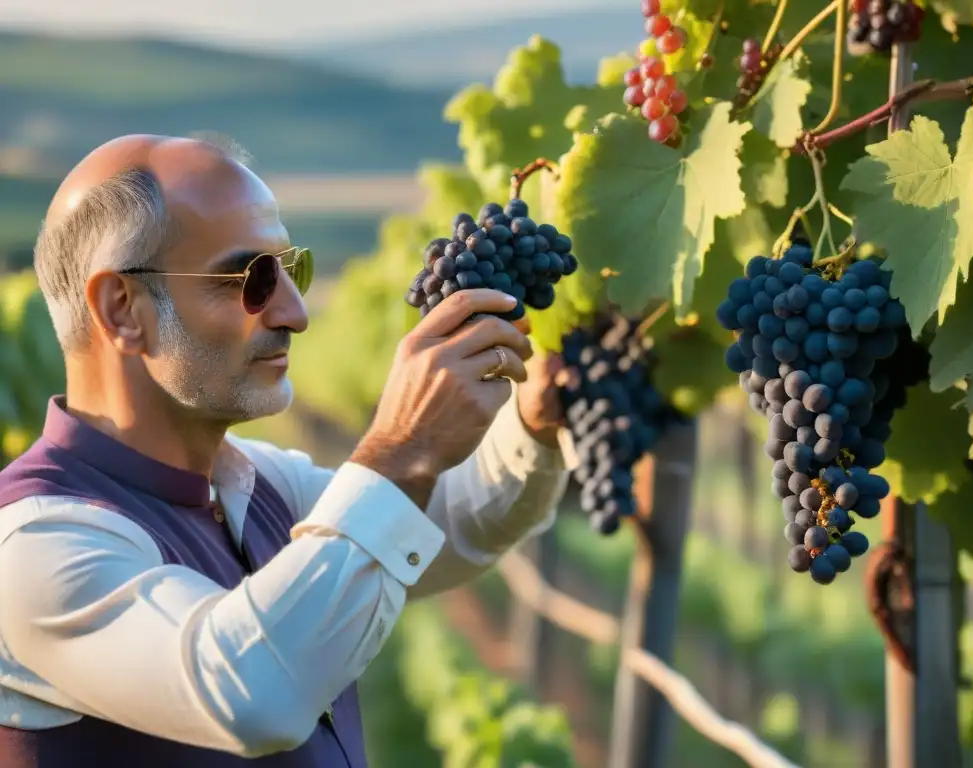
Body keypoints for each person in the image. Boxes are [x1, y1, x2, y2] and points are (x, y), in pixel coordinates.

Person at [0, 135, 571, 768]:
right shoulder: (35, 547)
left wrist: (534, 422)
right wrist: (400, 448)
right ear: (122, 308)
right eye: (252, 279)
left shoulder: (252, 481)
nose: (296, 313)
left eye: (290, 269)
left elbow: (444, 528)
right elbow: (247, 694)